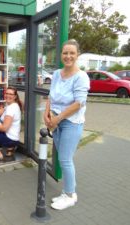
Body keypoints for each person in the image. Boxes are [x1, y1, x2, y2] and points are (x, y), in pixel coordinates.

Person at [43, 39, 90, 210]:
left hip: (71, 122)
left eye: (72, 53)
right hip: (56, 121)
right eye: (65, 53)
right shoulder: (56, 74)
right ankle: (66, 192)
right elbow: (50, 96)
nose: (68, 56)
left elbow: (79, 103)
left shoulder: (81, 77)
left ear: (77, 55)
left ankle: (70, 195)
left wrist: (57, 118)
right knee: (62, 158)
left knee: (65, 159)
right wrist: (46, 114)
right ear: (61, 55)